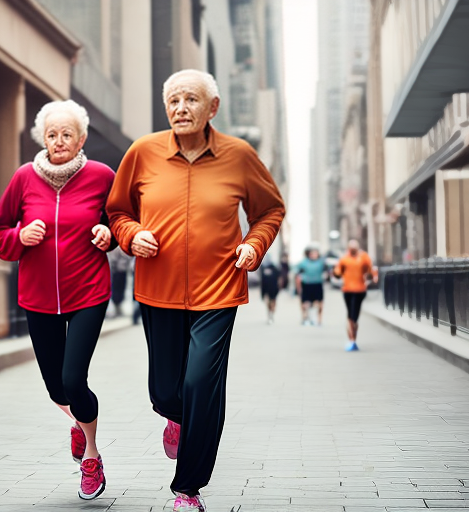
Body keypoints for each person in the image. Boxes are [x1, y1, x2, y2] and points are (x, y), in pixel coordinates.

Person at [106, 69, 285, 512]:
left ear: (212, 108)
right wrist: (130, 235)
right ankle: (177, 418)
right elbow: (117, 210)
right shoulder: (143, 153)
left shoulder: (239, 156)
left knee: (203, 383)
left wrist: (253, 244)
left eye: (190, 100)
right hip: (157, 288)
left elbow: (270, 210)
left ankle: (188, 490)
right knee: (166, 391)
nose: (181, 109)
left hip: (219, 290)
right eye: (173, 101)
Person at [0, 100, 114, 500]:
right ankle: (78, 422)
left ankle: (91, 456)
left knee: (75, 379)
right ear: (43, 138)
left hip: (89, 290)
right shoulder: (24, 178)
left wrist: (110, 235)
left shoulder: (101, 176)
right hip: (38, 297)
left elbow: (123, 221)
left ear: (82, 138)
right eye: (52, 134)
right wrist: (18, 238)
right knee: (57, 389)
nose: (59, 141)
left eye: (67, 134)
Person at [333, 239, 377, 351]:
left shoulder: (364, 257)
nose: (353, 250)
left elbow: (370, 271)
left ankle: (353, 339)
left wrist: (371, 276)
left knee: (355, 316)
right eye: (351, 248)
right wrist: (336, 273)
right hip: (347, 290)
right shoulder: (344, 259)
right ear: (348, 248)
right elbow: (338, 272)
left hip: (360, 290)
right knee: (350, 316)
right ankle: (351, 340)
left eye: (355, 248)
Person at [295, 247, 327, 326]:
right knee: (305, 303)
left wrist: (326, 276)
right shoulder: (304, 263)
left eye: (316, 253)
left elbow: (327, 271)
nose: (314, 255)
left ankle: (318, 320)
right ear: (309, 255)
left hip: (317, 284)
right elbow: (297, 272)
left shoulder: (321, 263)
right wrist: (298, 283)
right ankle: (305, 318)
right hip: (307, 284)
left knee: (318, 303)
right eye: (312, 253)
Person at [107, 248, 132, 318]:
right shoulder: (114, 249)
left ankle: (118, 307)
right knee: (115, 290)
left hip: (122, 271)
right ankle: (115, 308)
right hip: (116, 271)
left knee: (121, 289)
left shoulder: (122, 247)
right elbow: (113, 260)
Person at [260, 256, 281, 324]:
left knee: (273, 302)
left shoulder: (274, 267)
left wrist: (279, 287)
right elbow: (262, 279)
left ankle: (272, 314)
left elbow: (279, 278)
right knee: (267, 302)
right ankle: (269, 314)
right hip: (265, 288)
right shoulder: (262, 267)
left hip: (273, 288)